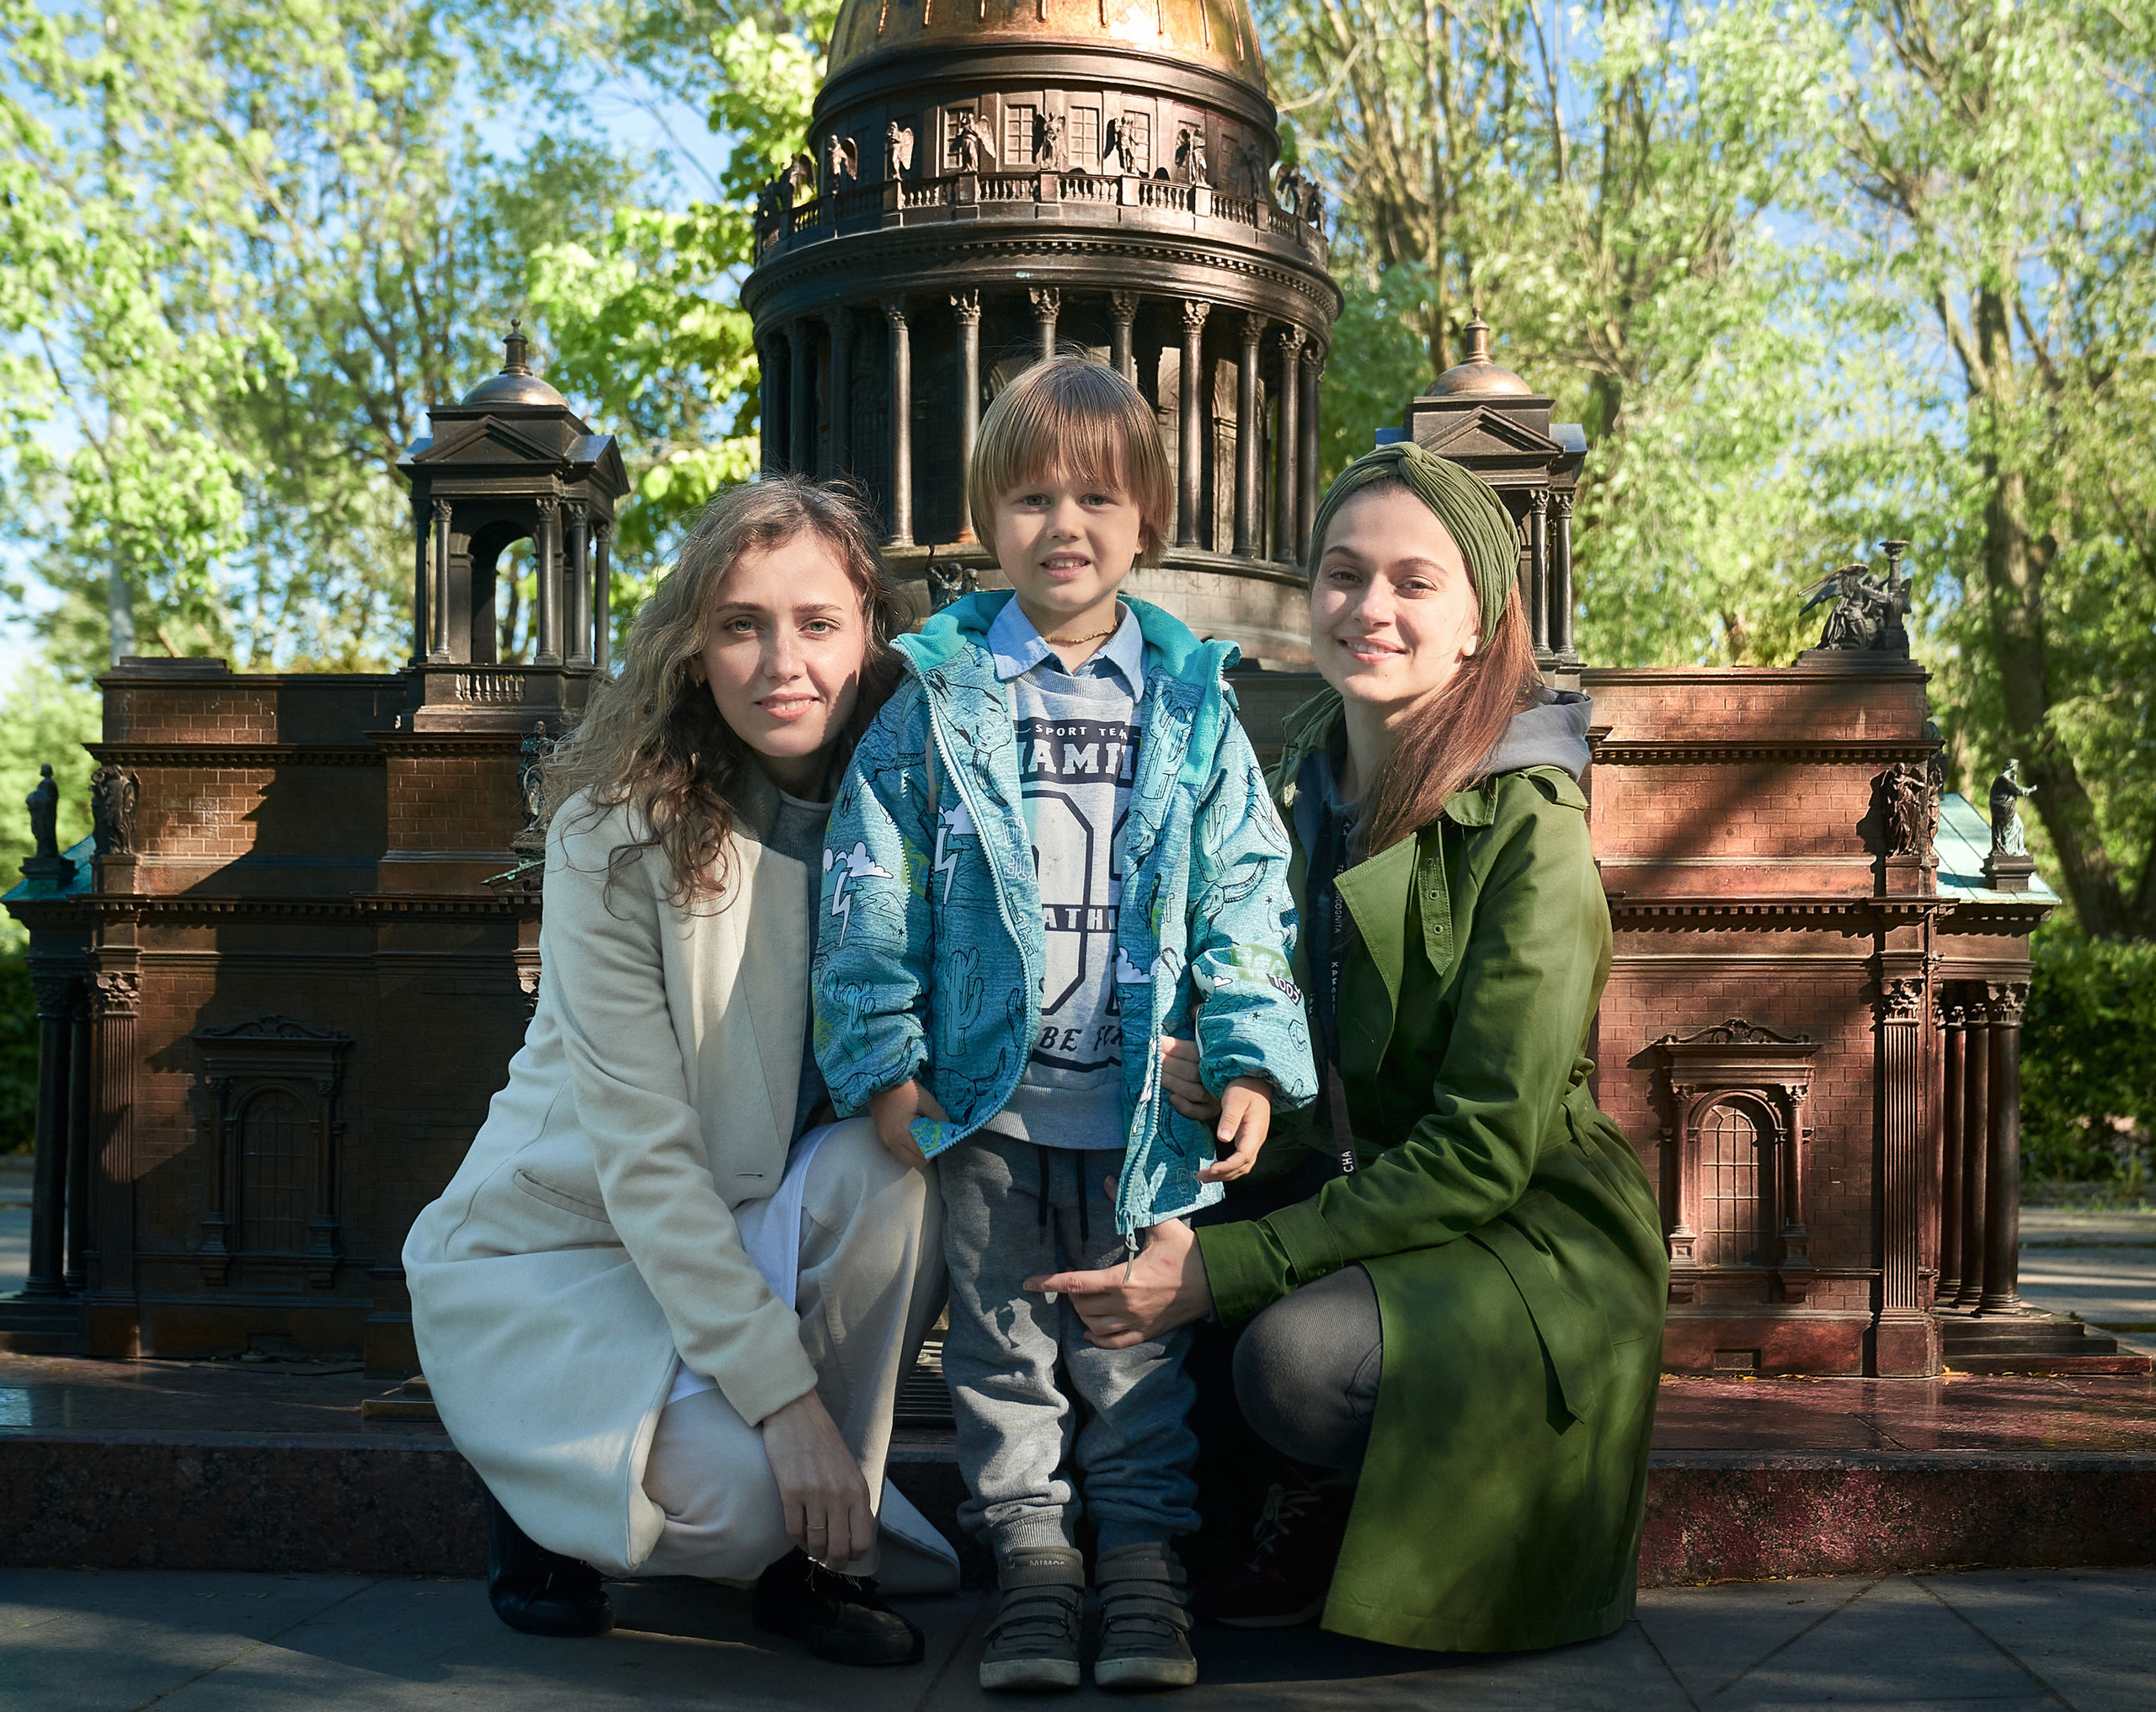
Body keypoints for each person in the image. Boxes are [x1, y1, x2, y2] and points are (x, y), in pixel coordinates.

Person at [1032, 441, 1668, 1654]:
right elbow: (1292, 1024)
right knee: (1108, 1235)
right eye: (1344, 573)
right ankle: (1111, 1545)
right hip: (1352, 1181)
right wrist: (1233, 1072)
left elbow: (1482, 1149)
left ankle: (1337, 1492)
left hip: (1518, 1227)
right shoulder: (1301, 788)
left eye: (1414, 582)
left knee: (1294, 1361)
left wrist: (1227, 1267)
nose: (1371, 607)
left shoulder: (1530, 833)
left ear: (1480, 623)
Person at [814, 355, 1317, 1694]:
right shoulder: (938, 698)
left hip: (1145, 1113)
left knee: (1136, 1358)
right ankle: (1034, 1570)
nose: (1065, 525)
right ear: (989, 517)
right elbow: (870, 886)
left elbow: (1247, 888)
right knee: (1002, 1356)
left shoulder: (1192, 703)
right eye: (1032, 497)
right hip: (990, 1111)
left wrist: (1248, 1053)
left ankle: (1144, 1570)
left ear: (1149, 519)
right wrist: (884, 1065)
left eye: (1097, 497)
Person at [404, 478, 952, 1670]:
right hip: (574, 1245)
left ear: (871, 633)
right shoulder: (615, 833)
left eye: (817, 623)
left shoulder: (920, 816)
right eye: (741, 625)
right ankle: (543, 1490)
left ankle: (818, 1555)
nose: (782, 663)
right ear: (695, 650)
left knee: (896, 1175)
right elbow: (647, 1160)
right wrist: (784, 1407)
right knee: (739, 1510)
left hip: (754, 1209)